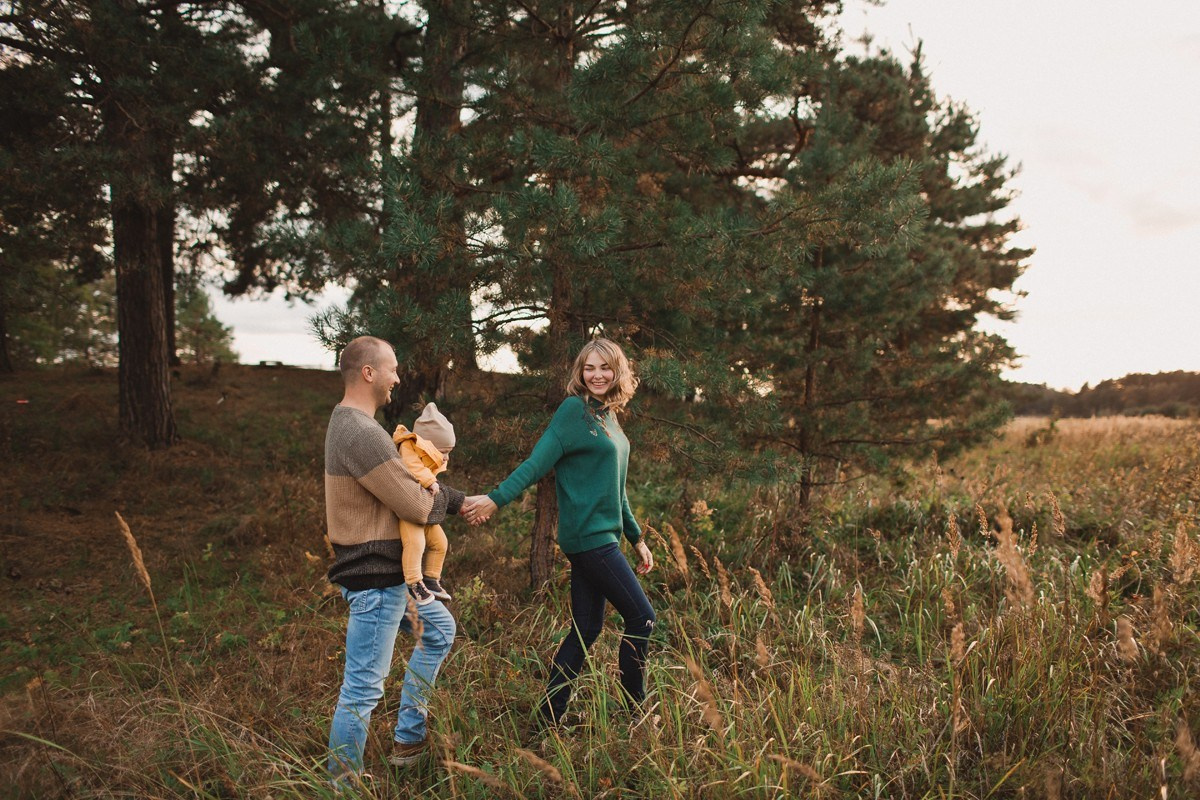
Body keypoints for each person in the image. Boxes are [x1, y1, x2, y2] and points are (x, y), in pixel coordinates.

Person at [464, 338, 656, 724]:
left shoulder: (610, 417)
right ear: (580, 372)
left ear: (618, 372)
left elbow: (617, 490)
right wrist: (495, 498)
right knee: (642, 618)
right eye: (589, 367)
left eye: (605, 368)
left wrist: (637, 538)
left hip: (603, 538)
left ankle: (548, 717)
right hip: (589, 540)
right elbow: (536, 463)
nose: (597, 375)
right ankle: (636, 714)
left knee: (586, 629)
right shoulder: (574, 411)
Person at [323, 336, 464, 781]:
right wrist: (451, 505)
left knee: (439, 630)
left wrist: (464, 502)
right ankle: (341, 784)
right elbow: (417, 504)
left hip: (386, 577)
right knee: (362, 690)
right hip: (376, 581)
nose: (397, 378)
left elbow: (408, 485)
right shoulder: (360, 432)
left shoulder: (354, 426)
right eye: (392, 369)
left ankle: (408, 737)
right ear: (368, 373)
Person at [391, 402, 455, 605]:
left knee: (440, 543)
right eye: (443, 451)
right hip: (408, 512)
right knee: (415, 543)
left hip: (424, 511)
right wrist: (430, 481)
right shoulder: (408, 447)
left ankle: (431, 578)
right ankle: (414, 583)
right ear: (427, 445)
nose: (445, 457)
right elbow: (412, 467)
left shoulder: (428, 455)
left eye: (448, 452)